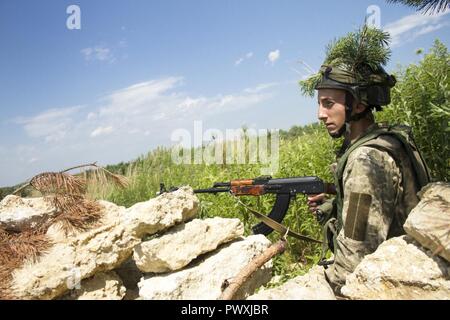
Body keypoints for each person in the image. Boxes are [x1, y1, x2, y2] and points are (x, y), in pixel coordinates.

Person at [300, 25, 430, 295]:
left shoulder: (365, 159)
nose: (320, 114)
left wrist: (315, 282)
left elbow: (353, 264)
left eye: (328, 103)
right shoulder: (385, 138)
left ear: (357, 105)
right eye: (319, 104)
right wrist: (334, 203)